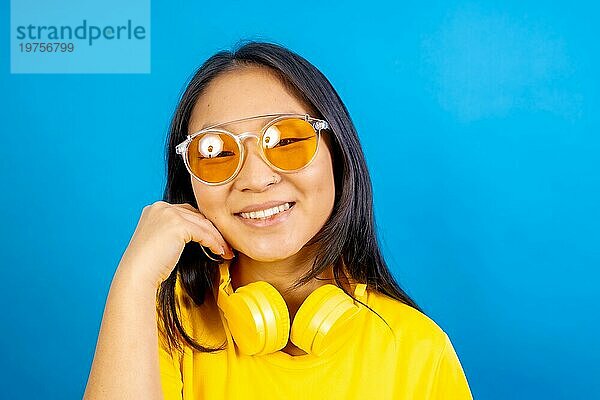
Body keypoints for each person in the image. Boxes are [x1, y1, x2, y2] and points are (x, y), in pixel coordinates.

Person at [83, 41, 473, 399]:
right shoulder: (165, 326)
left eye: (286, 140)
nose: (255, 179)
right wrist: (133, 281)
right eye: (216, 152)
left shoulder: (419, 349)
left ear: (337, 154)